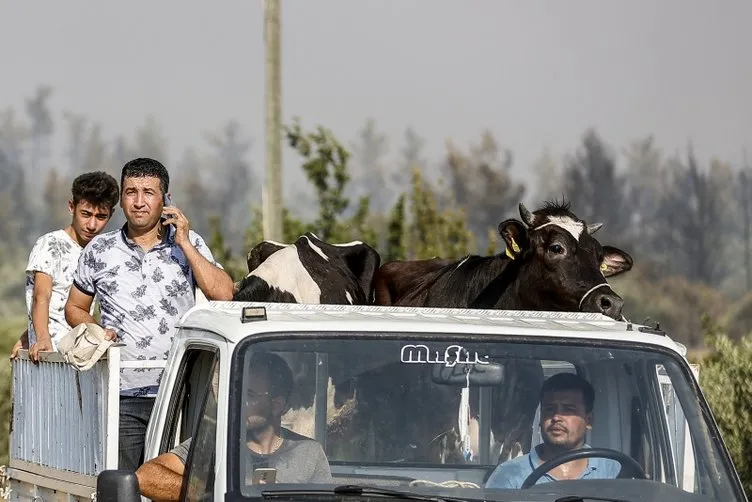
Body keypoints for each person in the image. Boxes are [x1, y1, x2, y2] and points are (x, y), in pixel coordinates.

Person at [64, 157, 235, 471]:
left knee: (173, 484)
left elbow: (224, 294)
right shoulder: (99, 250)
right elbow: (74, 307)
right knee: (124, 484)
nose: (139, 202)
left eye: (148, 193)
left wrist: (183, 240)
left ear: (166, 200)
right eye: (131, 192)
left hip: (178, 391)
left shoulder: (190, 244)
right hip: (121, 392)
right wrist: (96, 330)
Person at [135, 352, 332, 501]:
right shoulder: (216, 443)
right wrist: (215, 494)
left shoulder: (309, 453)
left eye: (250, 395)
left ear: (277, 404)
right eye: (238, 392)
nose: (238, 401)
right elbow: (146, 477)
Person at [10, 171, 119, 362]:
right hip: (48, 355)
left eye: (101, 217)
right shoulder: (50, 244)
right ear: (71, 207)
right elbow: (41, 296)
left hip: (80, 355)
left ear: (111, 214)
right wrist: (41, 338)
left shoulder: (100, 253)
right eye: (85, 214)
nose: (92, 225)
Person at [484, 372, 621, 489]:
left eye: (568, 410)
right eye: (549, 409)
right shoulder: (509, 475)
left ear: (589, 421)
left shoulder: (613, 471)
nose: (556, 417)